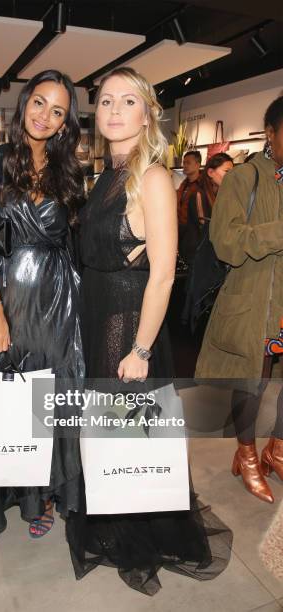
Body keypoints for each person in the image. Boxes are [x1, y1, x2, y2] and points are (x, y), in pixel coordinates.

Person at [67, 67, 231, 596]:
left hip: (125, 325)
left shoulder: (154, 177)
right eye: (106, 100)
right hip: (100, 316)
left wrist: (139, 348)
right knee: (110, 433)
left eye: (127, 101)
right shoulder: (110, 172)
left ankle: (139, 535)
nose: (114, 110)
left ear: (147, 112)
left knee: (128, 435)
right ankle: (116, 521)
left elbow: (163, 271)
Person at [0, 70, 85, 549]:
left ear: (66, 124)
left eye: (59, 111)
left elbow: (71, 245)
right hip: (5, 299)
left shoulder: (68, 173)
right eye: (40, 103)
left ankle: (37, 498)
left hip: (57, 302)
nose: (46, 115)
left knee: (39, 405)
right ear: (25, 103)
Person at [195, 95, 283, 503]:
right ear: (271, 133)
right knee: (254, 381)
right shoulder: (244, 178)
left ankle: (277, 448)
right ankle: (246, 455)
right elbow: (226, 243)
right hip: (256, 303)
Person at [180, 152, 234, 263]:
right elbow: (206, 229)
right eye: (227, 171)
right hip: (200, 257)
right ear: (210, 172)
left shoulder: (222, 194)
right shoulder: (199, 195)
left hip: (210, 255)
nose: (231, 176)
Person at [177, 150, 201, 247]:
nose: (185, 165)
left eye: (188, 163)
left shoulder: (203, 184)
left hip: (194, 233)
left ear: (197, 165)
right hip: (180, 229)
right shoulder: (183, 184)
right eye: (184, 162)